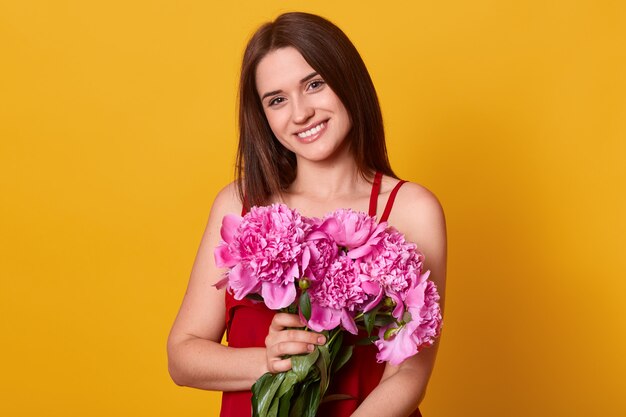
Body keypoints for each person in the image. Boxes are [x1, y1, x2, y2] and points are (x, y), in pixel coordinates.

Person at [167, 12, 447, 417]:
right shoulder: (239, 205)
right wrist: (270, 360)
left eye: (314, 84)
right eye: (277, 100)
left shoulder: (411, 209)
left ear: (347, 81)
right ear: (262, 115)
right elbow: (182, 356)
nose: (300, 113)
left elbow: (409, 375)